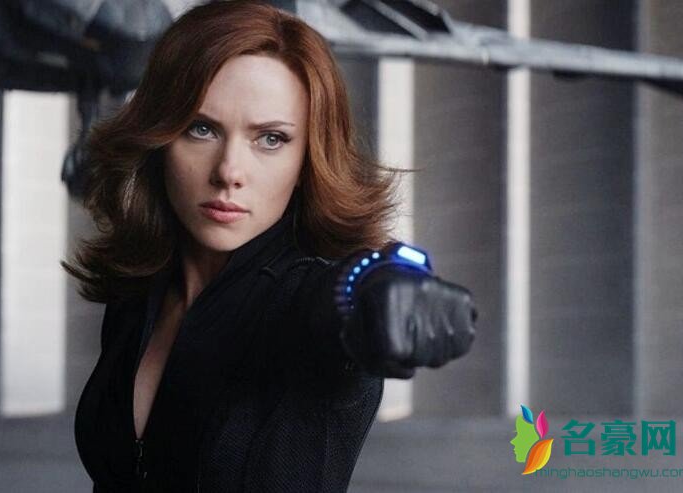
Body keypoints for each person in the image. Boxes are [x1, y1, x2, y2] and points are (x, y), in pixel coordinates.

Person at [62, 0, 477, 491]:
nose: (229, 172)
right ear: (159, 138)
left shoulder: (301, 300)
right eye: (201, 128)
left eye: (271, 139)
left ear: (307, 161)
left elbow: (337, 302)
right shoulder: (138, 295)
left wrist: (373, 286)